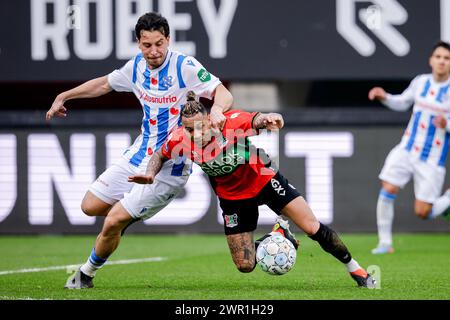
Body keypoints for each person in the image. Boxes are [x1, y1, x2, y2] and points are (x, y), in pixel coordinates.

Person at [45, 12, 233, 289]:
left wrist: (216, 108)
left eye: (159, 43)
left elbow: (223, 92)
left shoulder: (185, 66)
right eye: (147, 45)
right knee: (90, 206)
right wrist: (64, 95)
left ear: (168, 39)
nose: (154, 51)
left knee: (112, 221)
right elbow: (103, 84)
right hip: (139, 153)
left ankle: (85, 274)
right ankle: (128, 213)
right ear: (138, 43)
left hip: (171, 165)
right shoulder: (135, 68)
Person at [129, 91, 376, 288]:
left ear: (208, 120)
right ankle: (280, 236)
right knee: (245, 265)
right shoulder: (179, 138)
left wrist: (271, 118)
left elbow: (258, 119)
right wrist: (150, 173)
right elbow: (160, 154)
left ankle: (357, 270)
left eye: (200, 127)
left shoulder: (230, 123)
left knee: (311, 226)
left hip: (264, 179)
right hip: (232, 198)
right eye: (189, 129)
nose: (195, 134)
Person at [368, 41, 450, 255]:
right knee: (388, 187)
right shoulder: (421, 82)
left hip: (432, 157)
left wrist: (447, 124)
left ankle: (447, 200)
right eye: (438, 57)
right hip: (407, 148)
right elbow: (402, 102)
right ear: (431, 60)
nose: (442, 61)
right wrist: (385, 97)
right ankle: (385, 243)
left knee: (423, 212)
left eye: (447, 58)